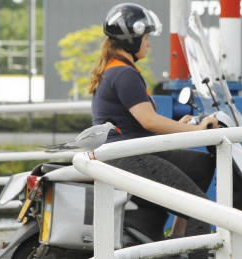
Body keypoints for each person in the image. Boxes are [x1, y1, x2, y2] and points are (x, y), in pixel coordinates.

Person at [88, 4, 218, 259]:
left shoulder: (119, 70)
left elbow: (145, 121)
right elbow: (149, 121)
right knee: (201, 208)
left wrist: (185, 125)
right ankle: (192, 251)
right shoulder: (124, 74)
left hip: (132, 151)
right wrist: (195, 131)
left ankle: (178, 241)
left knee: (202, 166)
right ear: (132, 39)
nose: (149, 43)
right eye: (146, 38)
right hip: (128, 157)